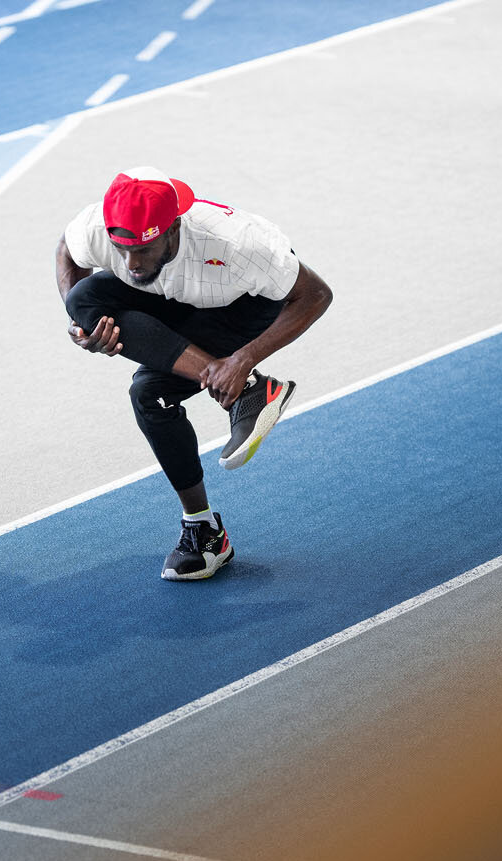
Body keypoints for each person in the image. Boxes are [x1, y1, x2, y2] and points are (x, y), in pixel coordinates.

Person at [54, 168, 333, 580]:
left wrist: (241, 359)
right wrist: (85, 329)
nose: (130, 263)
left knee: (148, 394)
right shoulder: (101, 229)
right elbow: (67, 251)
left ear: (173, 229)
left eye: (144, 249)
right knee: (82, 300)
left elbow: (314, 295)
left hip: (241, 306)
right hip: (172, 294)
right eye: (122, 248)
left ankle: (243, 384)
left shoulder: (239, 246)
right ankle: (208, 524)